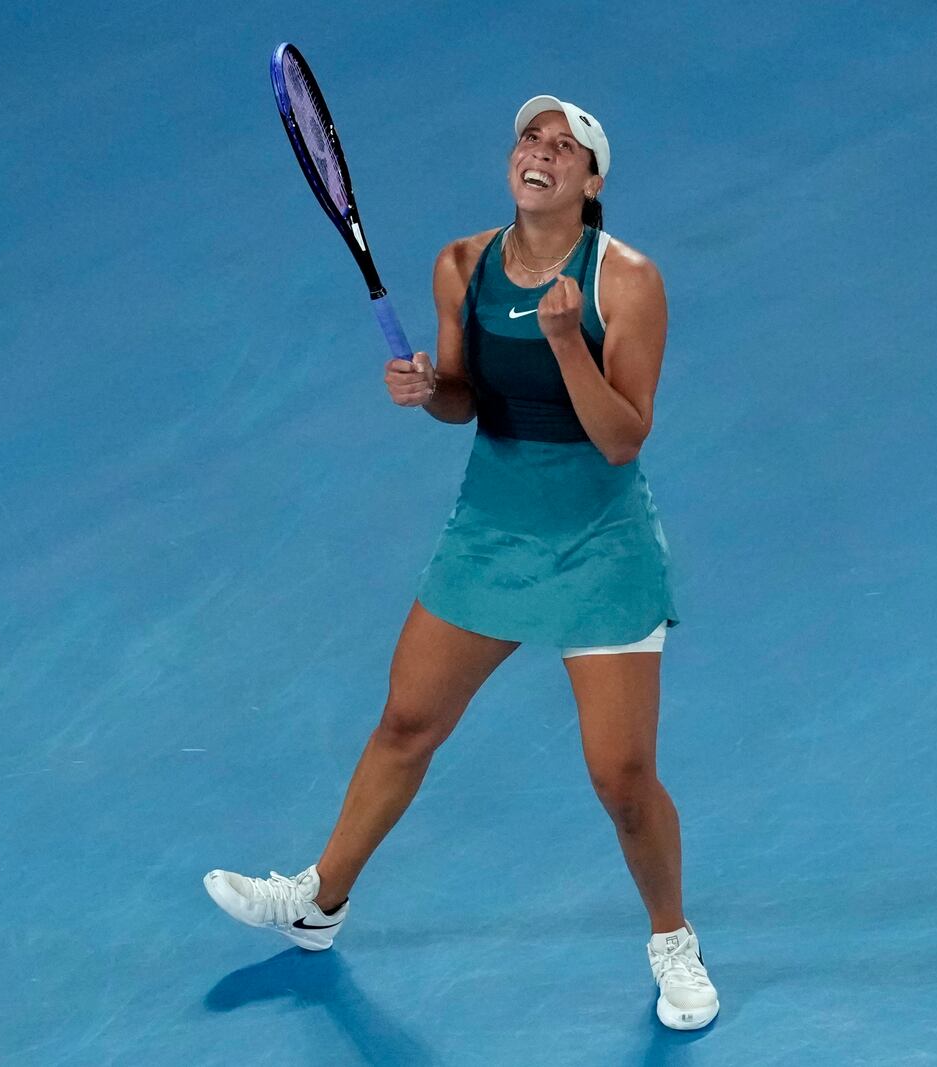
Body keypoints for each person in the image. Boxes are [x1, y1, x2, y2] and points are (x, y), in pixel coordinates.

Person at [205, 95, 718, 1031]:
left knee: (621, 775)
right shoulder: (461, 264)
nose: (543, 154)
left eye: (567, 149)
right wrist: (427, 388)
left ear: (591, 184)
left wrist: (567, 343)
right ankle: (321, 902)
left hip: (599, 546)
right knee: (406, 722)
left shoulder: (628, 283)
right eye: (532, 137)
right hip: (491, 529)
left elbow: (620, 441)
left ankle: (672, 940)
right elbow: (466, 402)